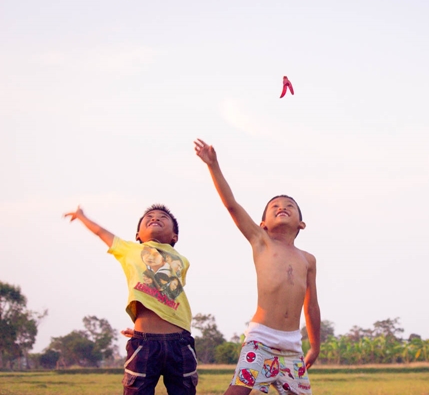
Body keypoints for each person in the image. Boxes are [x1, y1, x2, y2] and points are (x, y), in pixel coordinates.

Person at [194, 138, 321, 395]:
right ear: (262, 223)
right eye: (274, 207)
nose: (282, 207)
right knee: (237, 392)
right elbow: (231, 205)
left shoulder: (308, 259)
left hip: (292, 349)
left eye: (289, 206)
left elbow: (312, 305)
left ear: (302, 224)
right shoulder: (260, 241)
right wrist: (213, 165)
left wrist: (315, 345)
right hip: (260, 342)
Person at [64, 204, 197, 395]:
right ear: (137, 235)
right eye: (149, 217)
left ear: (174, 237)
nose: (155, 218)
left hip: (180, 342)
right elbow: (102, 233)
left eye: (162, 217)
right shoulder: (129, 250)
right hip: (144, 342)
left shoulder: (182, 261)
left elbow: (168, 297)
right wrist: (81, 216)